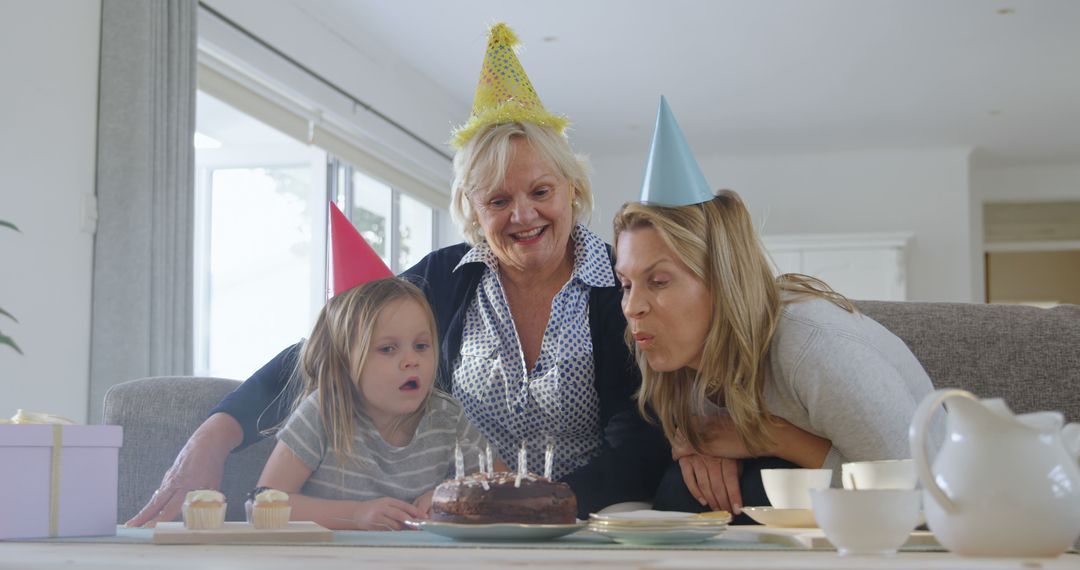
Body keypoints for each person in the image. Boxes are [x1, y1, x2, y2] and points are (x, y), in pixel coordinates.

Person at [127, 23, 670, 528]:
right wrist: (217, 433)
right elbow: (330, 349)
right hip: (458, 529)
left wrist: (537, 507)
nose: (522, 215)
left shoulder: (621, 283)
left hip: (586, 520)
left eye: (541, 192)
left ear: (572, 188)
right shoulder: (444, 278)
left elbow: (641, 441)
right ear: (473, 210)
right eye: (498, 200)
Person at [612, 97, 942, 520]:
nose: (633, 307)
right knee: (686, 488)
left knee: (758, 484)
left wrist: (770, 437)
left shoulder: (816, 349)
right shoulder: (674, 353)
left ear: (722, 281)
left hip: (938, 513)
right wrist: (696, 443)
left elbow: (919, 496)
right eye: (625, 284)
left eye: (658, 281)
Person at [256, 278, 500, 530]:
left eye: (421, 346)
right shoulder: (323, 413)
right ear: (344, 362)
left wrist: (454, 498)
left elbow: (502, 488)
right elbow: (263, 504)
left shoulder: (447, 417)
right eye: (387, 349)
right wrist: (355, 515)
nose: (411, 360)